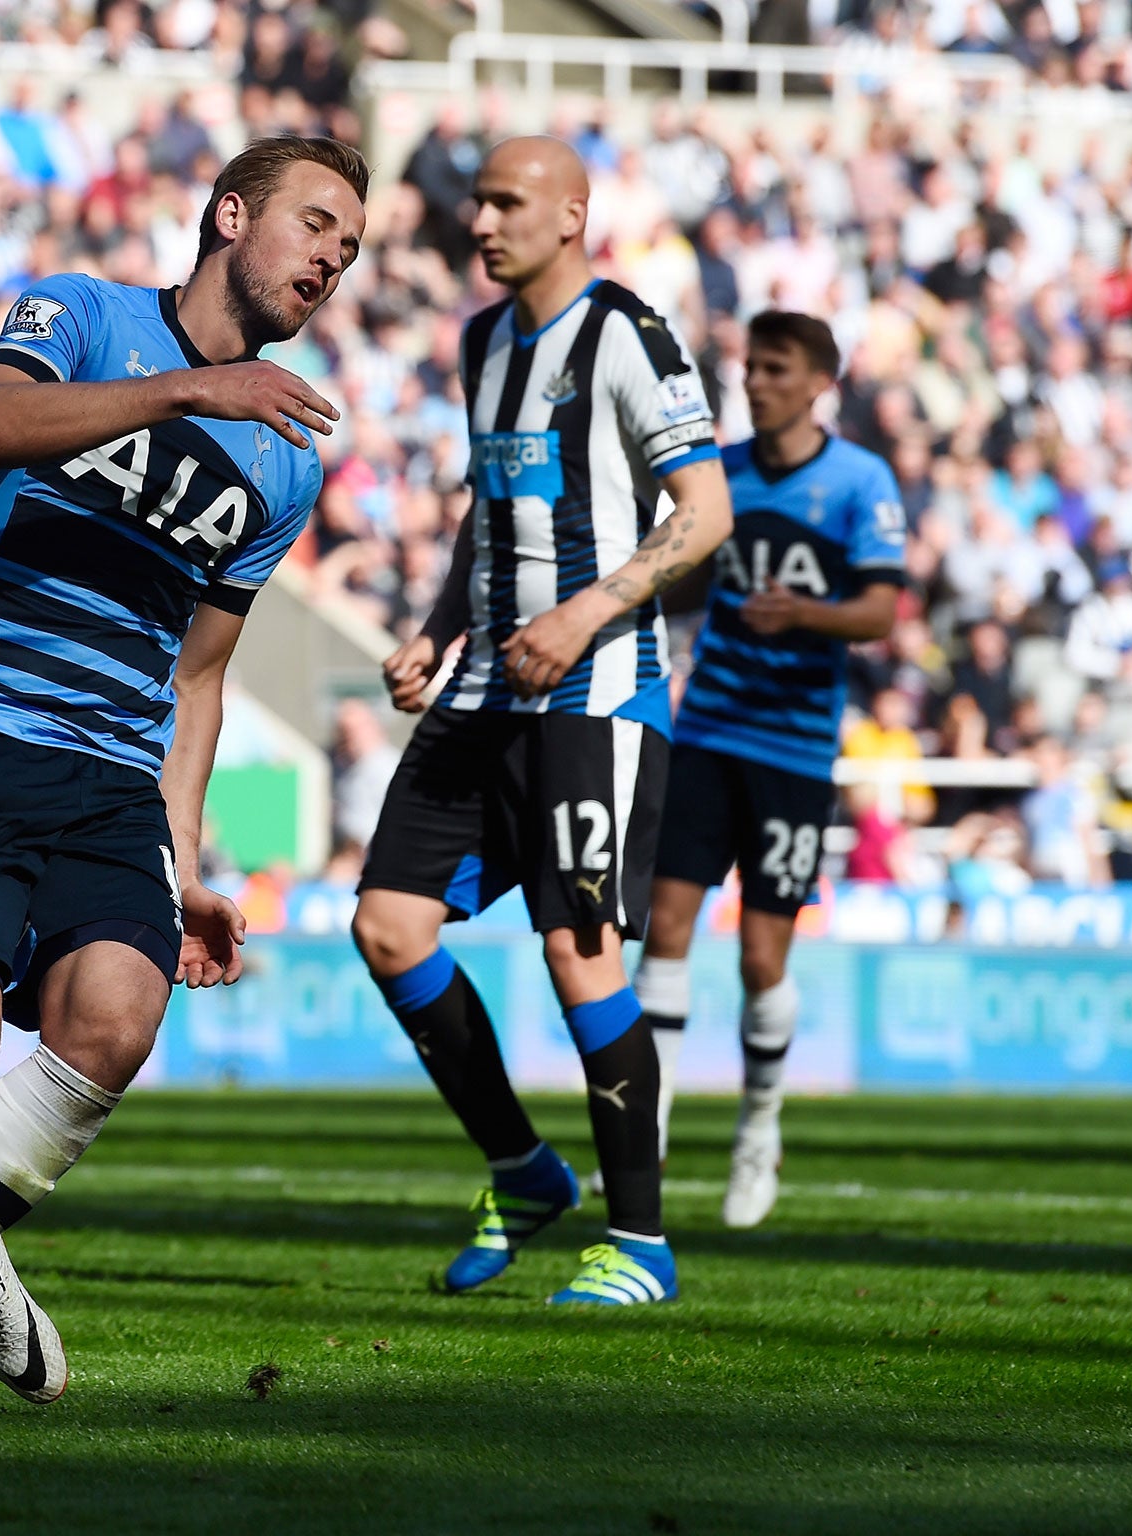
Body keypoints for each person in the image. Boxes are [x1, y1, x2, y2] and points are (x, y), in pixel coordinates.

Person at [0, 136, 368, 1427]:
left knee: (115, 1019)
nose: (333, 256)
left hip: (109, 771)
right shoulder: (85, 314)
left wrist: (189, 861)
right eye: (315, 223)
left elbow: (201, 678)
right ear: (230, 215)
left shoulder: (286, 459)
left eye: (351, 246)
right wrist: (181, 394)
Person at [353, 137, 732, 1307]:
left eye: (506, 203)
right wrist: (435, 626)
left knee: (578, 954)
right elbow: (488, 505)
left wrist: (582, 615)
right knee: (386, 927)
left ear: (571, 215)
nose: (480, 222)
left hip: (594, 691)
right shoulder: (480, 340)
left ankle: (641, 1244)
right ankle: (521, 1167)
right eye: (475, 203)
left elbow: (704, 510)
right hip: (483, 687)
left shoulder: (624, 333)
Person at [629, 312, 905, 1231]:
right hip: (707, 730)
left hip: (794, 746)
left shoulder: (861, 481)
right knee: (664, 930)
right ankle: (645, 1145)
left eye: (776, 370)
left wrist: (806, 615)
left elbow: (879, 612)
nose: (756, 383)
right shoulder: (726, 474)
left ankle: (759, 1133)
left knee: (759, 954)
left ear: (820, 379)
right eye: (752, 368)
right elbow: (681, 580)